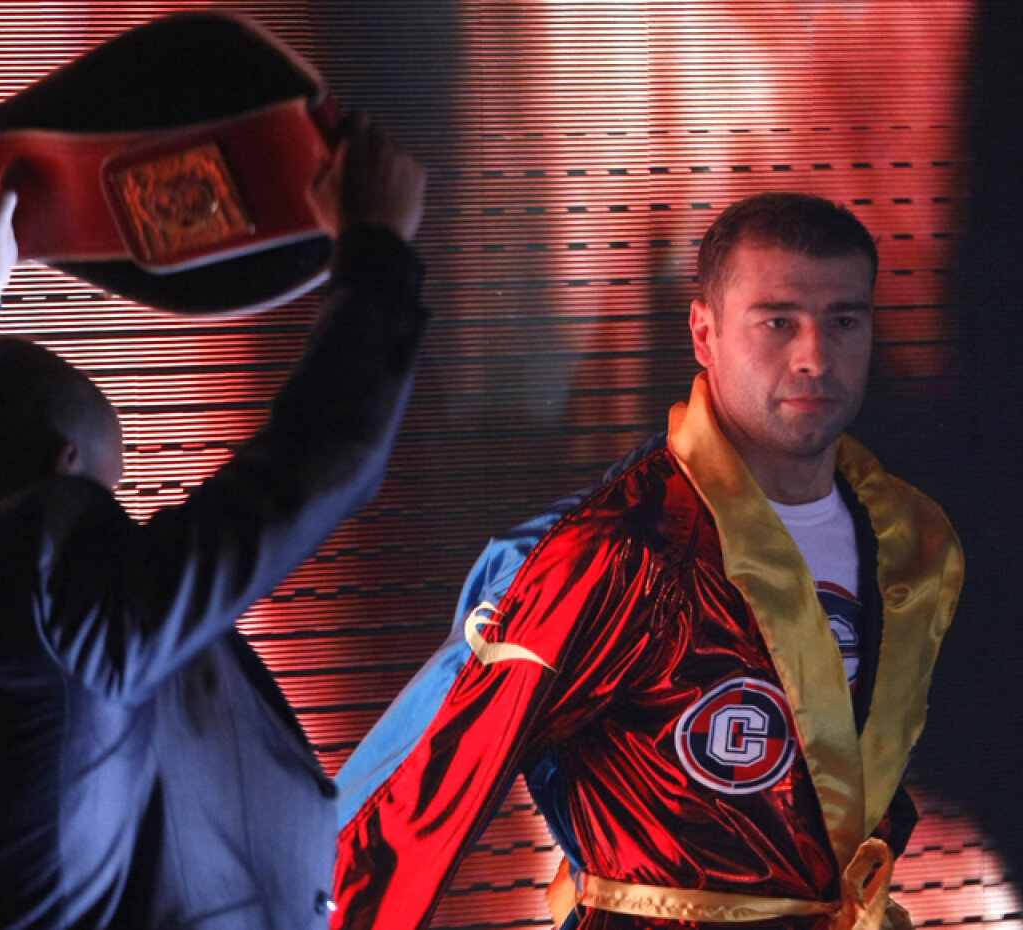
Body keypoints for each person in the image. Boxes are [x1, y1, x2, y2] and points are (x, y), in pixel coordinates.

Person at [0, 113, 427, 930]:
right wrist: (376, 250)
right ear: (62, 468)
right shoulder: (49, 597)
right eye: (110, 496)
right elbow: (306, 470)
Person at [331, 192, 964, 930]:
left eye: (844, 321)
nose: (815, 358)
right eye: (778, 322)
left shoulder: (914, 542)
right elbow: (401, 800)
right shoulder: (606, 553)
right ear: (705, 333)